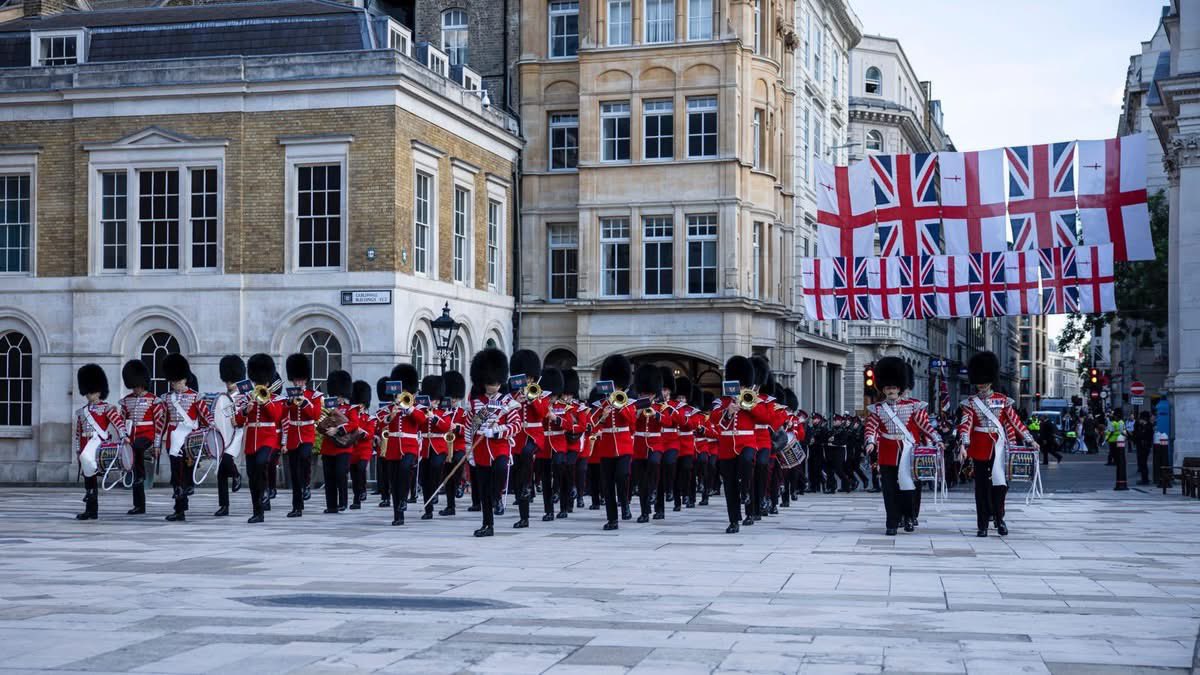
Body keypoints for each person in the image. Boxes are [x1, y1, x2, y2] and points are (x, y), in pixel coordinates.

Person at [956, 352, 1038, 537]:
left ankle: (999, 519)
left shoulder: (1003, 401)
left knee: (1000, 485)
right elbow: (966, 424)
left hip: (999, 447)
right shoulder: (970, 403)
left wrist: (1029, 439)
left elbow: (1015, 421)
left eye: (984, 381)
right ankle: (982, 524)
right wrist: (963, 444)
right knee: (981, 488)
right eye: (979, 381)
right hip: (979, 447)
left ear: (990, 380)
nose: (982, 385)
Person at [863, 357, 941, 536]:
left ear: (899, 388)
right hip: (887, 452)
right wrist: (870, 442)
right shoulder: (877, 409)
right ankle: (892, 522)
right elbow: (871, 427)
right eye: (887, 388)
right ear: (883, 389)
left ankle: (908, 517)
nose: (891, 390)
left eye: (893, 387)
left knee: (908, 487)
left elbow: (924, 425)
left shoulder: (913, 406)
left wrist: (937, 439)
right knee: (889, 489)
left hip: (908, 452)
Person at [712, 355, 772, 533]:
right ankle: (734, 521)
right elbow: (713, 419)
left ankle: (746, 492)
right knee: (729, 484)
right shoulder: (722, 402)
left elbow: (766, 417)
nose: (740, 388)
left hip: (747, 443)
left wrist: (749, 405)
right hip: (726, 447)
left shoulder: (752, 399)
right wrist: (728, 411)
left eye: (743, 385)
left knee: (747, 461)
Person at [466, 347, 520, 537]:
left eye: (497, 383)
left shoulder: (507, 402)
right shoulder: (476, 403)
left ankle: (498, 496)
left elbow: (516, 426)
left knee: (501, 469)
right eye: (491, 383)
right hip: (480, 451)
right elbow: (469, 429)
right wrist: (469, 452)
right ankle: (487, 525)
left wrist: (496, 432)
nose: (494, 386)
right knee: (484, 491)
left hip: (500, 448)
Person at [156, 354, 211, 522]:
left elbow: (206, 417)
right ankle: (179, 509)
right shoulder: (166, 398)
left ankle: (186, 490)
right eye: (173, 382)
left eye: (178, 381)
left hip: (190, 439)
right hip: (173, 439)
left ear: (185, 380)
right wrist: (157, 443)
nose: (175, 384)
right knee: (176, 473)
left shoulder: (195, 397)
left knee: (186, 471)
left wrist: (212, 429)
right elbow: (162, 423)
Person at [233, 354, 287, 524]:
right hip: (251, 440)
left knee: (261, 463)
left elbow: (276, 416)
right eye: (257, 382)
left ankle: (265, 491)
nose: (258, 385)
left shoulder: (276, 398)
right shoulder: (247, 397)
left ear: (268, 382)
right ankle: (257, 511)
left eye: (261, 382)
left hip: (268, 438)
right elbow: (238, 422)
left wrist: (264, 401)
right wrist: (245, 411)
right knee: (252, 475)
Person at [73, 364, 128, 520]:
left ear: (99, 391)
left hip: (97, 443)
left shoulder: (107, 408)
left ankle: (90, 498)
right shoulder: (82, 411)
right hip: (85, 445)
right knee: (88, 477)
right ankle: (91, 510)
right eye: (88, 392)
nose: (89, 395)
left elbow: (118, 423)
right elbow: (78, 433)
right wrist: (78, 450)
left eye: (92, 392)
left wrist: (124, 436)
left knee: (89, 469)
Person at [591, 354, 638, 530]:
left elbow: (631, 421)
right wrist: (603, 417)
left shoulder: (628, 403)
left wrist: (619, 406)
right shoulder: (601, 404)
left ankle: (624, 502)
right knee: (608, 484)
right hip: (607, 447)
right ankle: (612, 519)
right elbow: (592, 423)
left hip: (624, 445)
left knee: (622, 475)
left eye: (617, 386)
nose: (615, 390)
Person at [509, 350, 550, 528]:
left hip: (535, 436)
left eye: (529, 378)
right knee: (518, 474)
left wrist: (532, 399)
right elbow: (507, 413)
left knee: (527, 453)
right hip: (518, 436)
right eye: (525, 378)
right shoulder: (513, 396)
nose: (527, 381)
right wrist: (517, 401)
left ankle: (528, 484)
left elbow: (542, 414)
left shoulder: (541, 396)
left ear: (533, 378)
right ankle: (524, 517)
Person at [118, 360, 161, 516]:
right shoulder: (126, 400)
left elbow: (159, 424)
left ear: (142, 384)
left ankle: (141, 475)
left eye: (137, 385)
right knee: (135, 470)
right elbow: (121, 421)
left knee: (137, 449)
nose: (135, 389)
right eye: (133, 386)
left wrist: (157, 445)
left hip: (147, 435)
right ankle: (139, 506)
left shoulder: (153, 400)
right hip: (131, 438)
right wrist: (123, 437)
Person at [317, 370, 359, 515]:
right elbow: (319, 424)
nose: (338, 398)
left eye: (340, 395)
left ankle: (343, 502)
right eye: (336, 395)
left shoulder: (350, 409)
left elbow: (354, 424)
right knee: (329, 477)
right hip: (328, 447)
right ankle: (331, 505)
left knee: (341, 474)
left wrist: (338, 430)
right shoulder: (326, 407)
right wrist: (325, 427)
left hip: (343, 448)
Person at [211, 355, 246, 517]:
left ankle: (236, 475)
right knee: (221, 472)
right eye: (227, 381)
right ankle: (224, 506)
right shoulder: (222, 397)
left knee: (226, 459)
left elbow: (246, 414)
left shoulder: (244, 396)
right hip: (224, 434)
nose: (228, 384)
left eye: (231, 381)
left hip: (238, 433)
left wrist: (238, 418)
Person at [631, 364, 664, 523]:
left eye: (649, 394)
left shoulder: (660, 406)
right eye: (644, 393)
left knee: (654, 462)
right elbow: (630, 426)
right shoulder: (634, 407)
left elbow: (669, 421)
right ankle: (644, 512)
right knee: (642, 480)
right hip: (639, 446)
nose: (646, 396)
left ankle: (654, 490)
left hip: (655, 443)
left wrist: (656, 414)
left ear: (654, 394)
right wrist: (637, 414)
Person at [439, 370, 470, 517]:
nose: (452, 400)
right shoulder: (441, 412)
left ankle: (460, 483)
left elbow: (470, 428)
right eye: (451, 397)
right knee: (447, 476)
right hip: (444, 447)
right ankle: (450, 506)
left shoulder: (463, 413)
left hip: (458, 446)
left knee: (458, 462)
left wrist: (457, 428)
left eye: (455, 398)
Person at [537, 367, 567, 521]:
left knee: (559, 469)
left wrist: (556, 418)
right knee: (546, 479)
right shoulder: (540, 404)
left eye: (553, 396)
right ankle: (548, 511)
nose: (551, 398)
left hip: (559, 443)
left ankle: (563, 506)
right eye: (550, 396)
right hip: (544, 446)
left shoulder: (564, 407)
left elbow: (570, 425)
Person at [1107, 409, 1129, 490]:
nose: (1114, 417)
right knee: (1116, 455)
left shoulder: (1120, 422)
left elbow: (1121, 431)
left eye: (1115, 415)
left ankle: (1121, 483)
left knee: (1118, 455)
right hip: (1118, 440)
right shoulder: (1119, 422)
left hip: (1118, 441)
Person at [1133, 410, 1154, 485]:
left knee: (1143, 462)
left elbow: (1145, 435)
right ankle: (1144, 478)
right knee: (1141, 462)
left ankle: (1145, 479)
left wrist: (1143, 427)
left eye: (1141, 418)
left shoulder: (1148, 426)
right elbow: (1135, 433)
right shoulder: (1139, 424)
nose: (1139, 419)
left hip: (1145, 446)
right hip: (1140, 445)